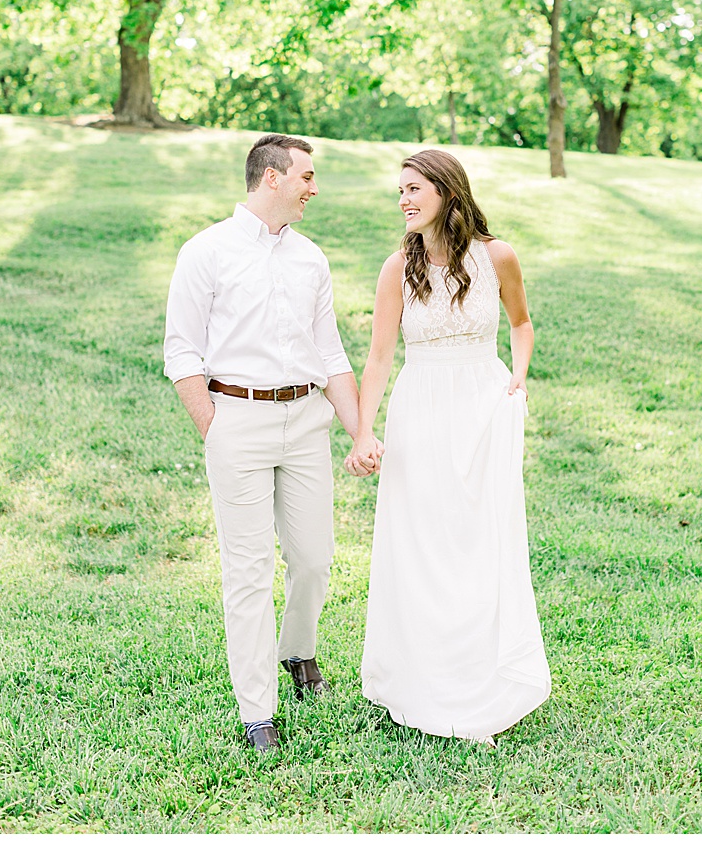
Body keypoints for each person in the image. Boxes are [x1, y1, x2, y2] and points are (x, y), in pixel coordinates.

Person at [164, 133, 374, 752]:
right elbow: (182, 352)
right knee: (249, 570)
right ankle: (257, 710)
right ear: (272, 177)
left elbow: (331, 354)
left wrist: (361, 431)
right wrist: (216, 427)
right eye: (307, 176)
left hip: (306, 422)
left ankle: (298, 651)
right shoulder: (206, 251)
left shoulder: (311, 259)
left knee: (314, 558)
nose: (315, 189)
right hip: (237, 420)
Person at [350, 149, 551, 742]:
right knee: (423, 541)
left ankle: (482, 674)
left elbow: (521, 324)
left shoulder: (497, 256)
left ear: (447, 191)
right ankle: (424, 675)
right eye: (400, 191)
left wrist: (518, 377)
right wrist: (364, 430)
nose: (404, 200)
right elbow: (379, 356)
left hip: (483, 409)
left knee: (479, 538)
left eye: (414, 189)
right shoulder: (397, 268)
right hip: (421, 410)